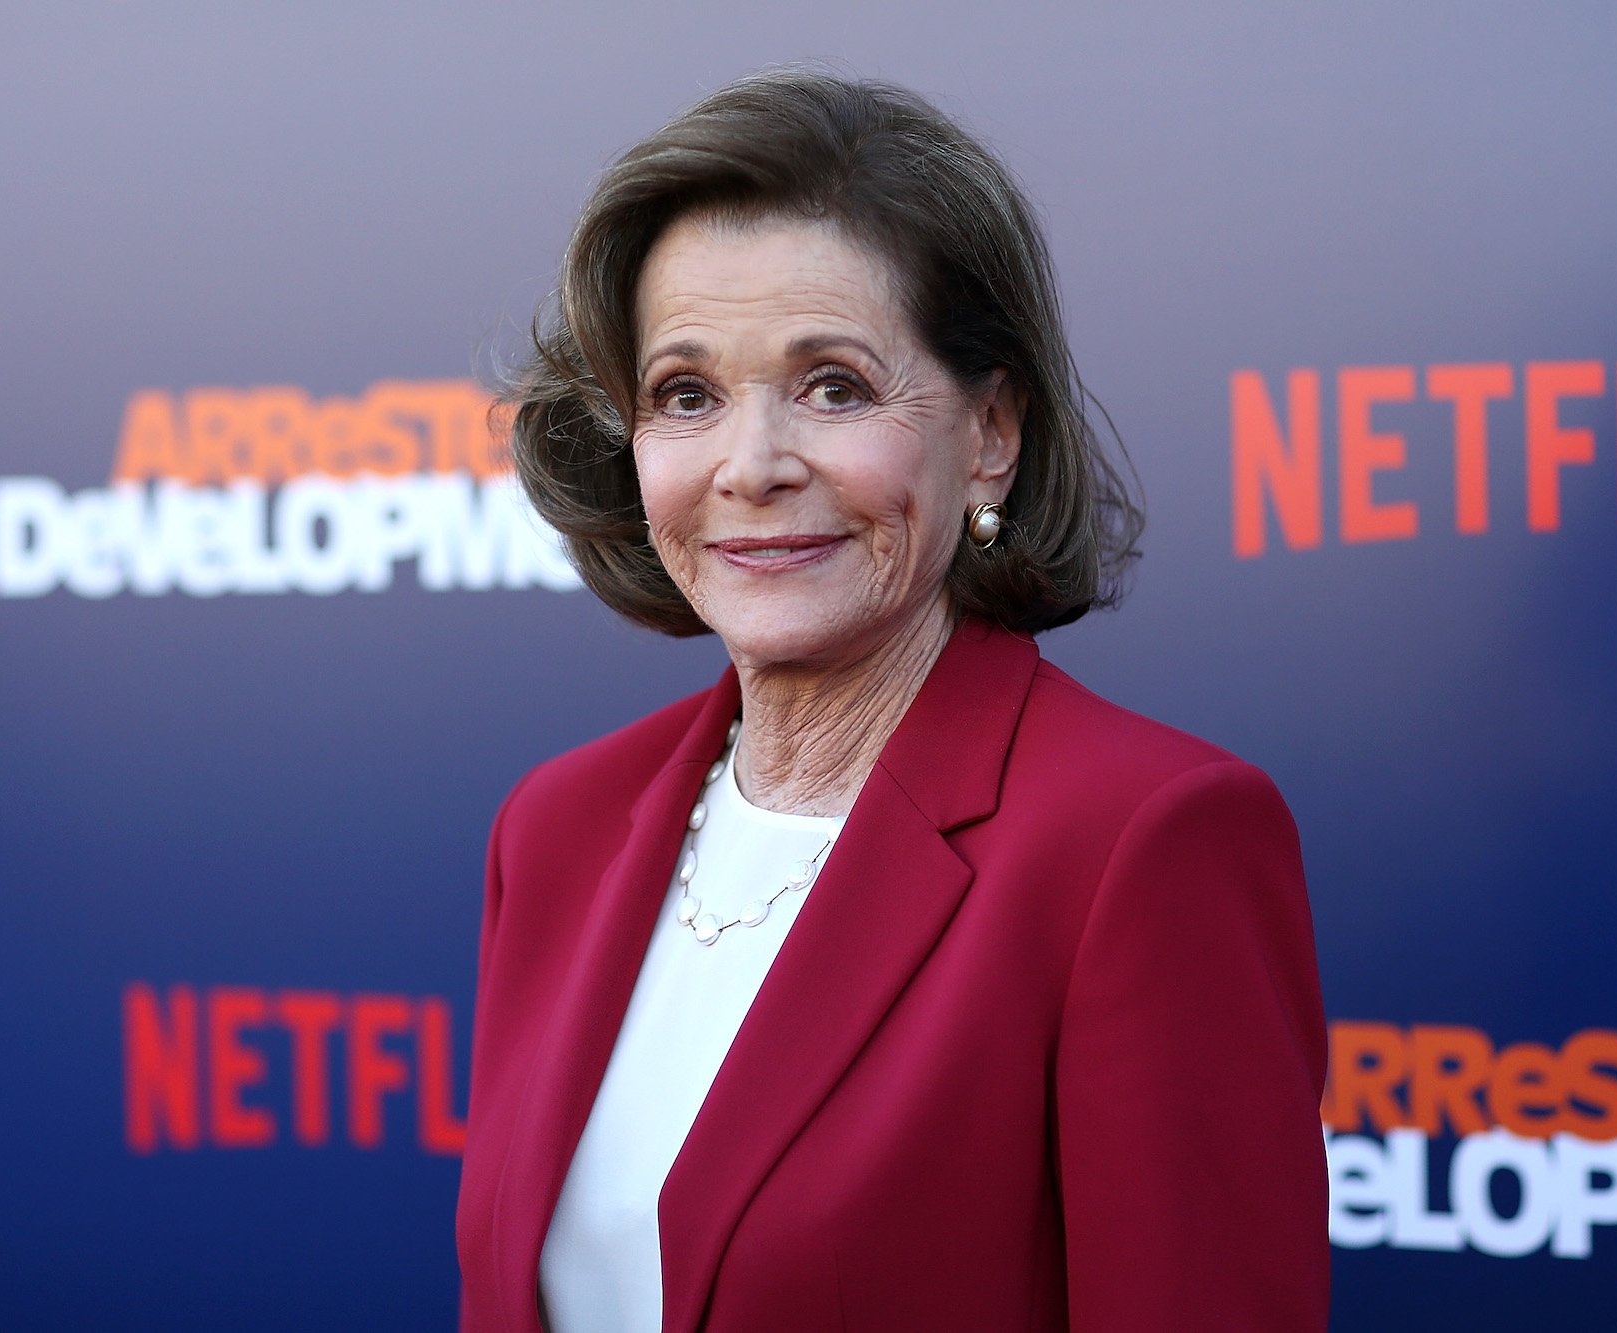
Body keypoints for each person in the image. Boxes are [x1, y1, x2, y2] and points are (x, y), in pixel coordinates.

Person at [455, 68, 1328, 1332]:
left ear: (988, 431)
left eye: (833, 386)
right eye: (685, 394)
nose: (750, 468)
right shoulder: (557, 827)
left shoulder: (1141, 843)